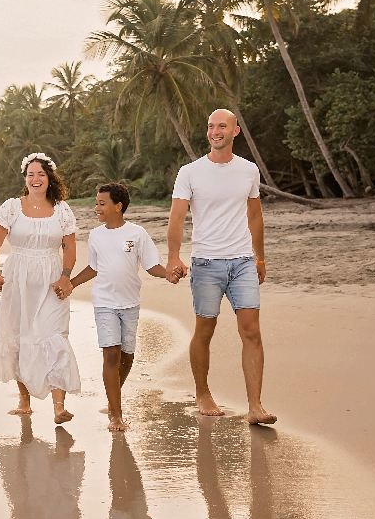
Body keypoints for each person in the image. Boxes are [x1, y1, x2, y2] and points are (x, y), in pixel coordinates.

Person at [164, 108, 276, 427]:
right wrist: (174, 257)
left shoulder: (249, 170)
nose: (215, 131)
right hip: (206, 263)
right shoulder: (190, 172)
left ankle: (255, 406)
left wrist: (260, 257)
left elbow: (255, 216)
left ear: (235, 131)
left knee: (251, 330)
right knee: (205, 329)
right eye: (211, 126)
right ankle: (202, 393)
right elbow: (176, 217)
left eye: (222, 126)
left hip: (242, 262)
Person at [57, 183, 171, 433]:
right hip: (105, 303)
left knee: (127, 357)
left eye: (101, 203)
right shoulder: (97, 235)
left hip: (130, 303)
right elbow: (94, 267)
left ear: (118, 207)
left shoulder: (137, 233)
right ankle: (116, 416)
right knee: (111, 354)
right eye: (96, 203)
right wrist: (71, 283)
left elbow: (152, 265)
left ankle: (113, 397)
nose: (96, 207)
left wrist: (169, 274)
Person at [0, 154, 81, 425]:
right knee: (18, 334)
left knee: (54, 335)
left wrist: (66, 276)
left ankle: (59, 406)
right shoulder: (12, 208)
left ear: (50, 178)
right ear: (24, 178)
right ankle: (24, 399)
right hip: (18, 278)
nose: (35, 179)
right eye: (30, 174)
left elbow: (70, 247)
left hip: (52, 279)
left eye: (40, 174)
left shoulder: (62, 209)